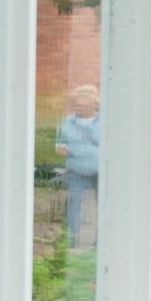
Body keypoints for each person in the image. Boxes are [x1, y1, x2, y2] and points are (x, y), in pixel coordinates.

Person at [57, 85, 101, 249]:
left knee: (103, 205)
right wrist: (61, 146)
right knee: (73, 204)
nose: (78, 108)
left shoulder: (103, 120)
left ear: (94, 104)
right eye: (76, 105)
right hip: (75, 168)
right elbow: (61, 140)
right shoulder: (69, 120)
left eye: (83, 105)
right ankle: (70, 240)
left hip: (99, 171)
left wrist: (79, 145)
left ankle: (101, 241)